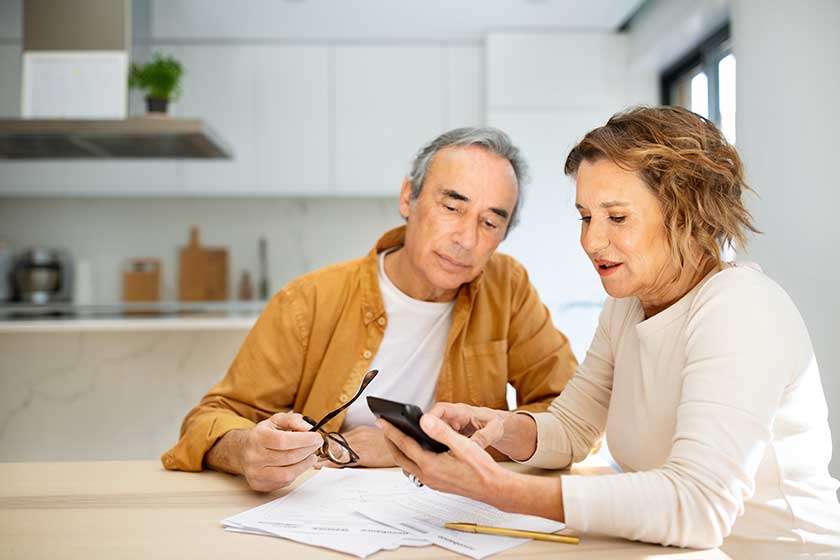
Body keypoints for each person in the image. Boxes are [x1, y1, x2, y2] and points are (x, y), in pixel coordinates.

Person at [379, 107, 840, 549]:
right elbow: (572, 428)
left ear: (687, 216)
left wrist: (497, 488)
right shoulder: (626, 308)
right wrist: (496, 427)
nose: (591, 241)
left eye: (617, 218)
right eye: (585, 217)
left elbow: (699, 505)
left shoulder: (740, 308)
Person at [162, 127, 578, 492]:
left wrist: (411, 447)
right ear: (407, 198)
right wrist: (245, 450)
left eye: (490, 223)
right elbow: (209, 419)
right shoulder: (309, 301)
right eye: (452, 207)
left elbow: (570, 416)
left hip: (454, 516)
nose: (467, 239)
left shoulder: (506, 287)